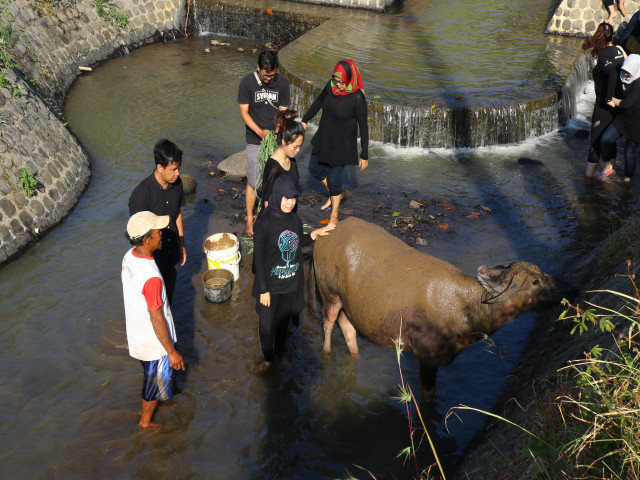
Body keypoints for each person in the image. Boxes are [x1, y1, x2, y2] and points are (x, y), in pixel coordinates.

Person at [252, 175, 335, 371]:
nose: (290, 203)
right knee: (266, 326)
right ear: (277, 196)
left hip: (290, 284)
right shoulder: (264, 223)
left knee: (282, 324)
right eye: (286, 198)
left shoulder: (294, 219)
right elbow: (260, 258)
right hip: (270, 287)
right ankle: (268, 358)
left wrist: (314, 234)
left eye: (294, 198)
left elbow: (296, 243)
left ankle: (280, 354)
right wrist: (264, 289)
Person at [121, 211, 185, 429]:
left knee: (156, 377)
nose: (161, 234)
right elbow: (157, 318)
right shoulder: (152, 277)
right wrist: (171, 351)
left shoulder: (129, 256)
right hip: (153, 343)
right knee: (151, 383)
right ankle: (145, 424)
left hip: (138, 333)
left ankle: (162, 400)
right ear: (146, 239)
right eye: (158, 231)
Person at [301, 58, 369, 225]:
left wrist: (364, 155)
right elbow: (318, 102)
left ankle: (334, 215)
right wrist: (305, 120)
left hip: (342, 145)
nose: (338, 85)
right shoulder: (330, 87)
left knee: (333, 178)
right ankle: (334, 194)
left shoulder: (357, 98)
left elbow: (364, 127)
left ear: (348, 78)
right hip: (324, 138)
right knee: (314, 169)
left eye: (341, 82)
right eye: (336, 80)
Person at [238, 50, 291, 236]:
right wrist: (260, 132)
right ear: (258, 68)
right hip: (254, 138)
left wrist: (276, 130)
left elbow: (284, 112)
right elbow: (244, 113)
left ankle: (270, 217)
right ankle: (250, 220)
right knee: (253, 181)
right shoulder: (247, 82)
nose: (269, 79)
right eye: (265, 75)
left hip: (275, 139)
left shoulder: (283, 83)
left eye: (272, 75)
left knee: (273, 180)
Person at [129, 139, 186, 305]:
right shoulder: (141, 195)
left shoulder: (177, 184)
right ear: (160, 167)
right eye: (173, 169)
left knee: (169, 298)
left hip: (172, 249)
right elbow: (137, 235)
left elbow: (177, 214)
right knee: (153, 302)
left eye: (179, 168)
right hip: (154, 256)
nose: (178, 173)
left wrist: (182, 244)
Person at [581, 22, 626, 178]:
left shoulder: (600, 56)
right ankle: (608, 170)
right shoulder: (620, 50)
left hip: (603, 104)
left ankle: (587, 178)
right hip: (618, 103)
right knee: (610, 138)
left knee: (595, 142)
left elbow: (612, 73)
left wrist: (608, 98)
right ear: (612, 36)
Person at [600, 54, 640, 181]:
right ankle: (608, 167)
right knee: (605, 140)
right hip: (622, 118)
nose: (626, 75)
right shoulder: (621, 74)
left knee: (629, 154)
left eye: (629, 73)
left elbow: (626, 104)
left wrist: (611, 99)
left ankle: (627, 180)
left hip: (637, 122)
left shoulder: (638, 82)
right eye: (625, 71)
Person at [257, 109, 304, 213]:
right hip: (276, 220)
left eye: (300, 146)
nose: (298, 150)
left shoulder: (291, 158)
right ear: (283, 141)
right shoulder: (273, 167)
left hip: (289, 214)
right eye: (295, 146)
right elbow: (266, 201)